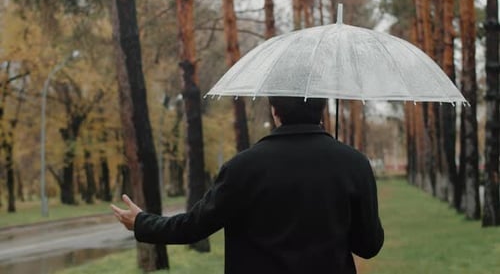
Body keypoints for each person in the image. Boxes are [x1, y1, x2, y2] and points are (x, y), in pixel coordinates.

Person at [111, 96, 384, 274]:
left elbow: (194, 226)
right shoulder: (355, 164)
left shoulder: (243, 167)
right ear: (321, 107)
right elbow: (368, 246)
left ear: (275, 110)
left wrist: (142, 222)